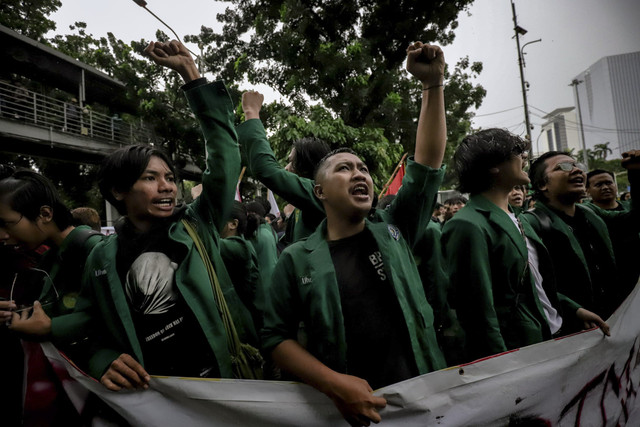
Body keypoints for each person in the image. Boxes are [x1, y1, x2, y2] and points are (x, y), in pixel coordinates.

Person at [13, 40, 259, 391]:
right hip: (158, 399)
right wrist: (102, 361)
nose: (167, 187)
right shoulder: (101, 255)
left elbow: (225, 157)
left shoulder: (195, 224)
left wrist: (191, 74)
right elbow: (94, 324)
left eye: (170, 178)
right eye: (150, 178)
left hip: (229, 386)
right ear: (118, 191)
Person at [262, 42, 447, 426]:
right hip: (348, 412)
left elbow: (427, 164)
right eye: (344, 169)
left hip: (425, 400)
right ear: (319, 191)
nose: (359, 173)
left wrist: (433, 86)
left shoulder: (396, 228)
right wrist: (334, 384)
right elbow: (276, 338)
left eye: (363, 168)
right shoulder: (295, 259)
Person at [441, 129, 609, 363]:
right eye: (516, 152)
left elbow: (535, 284)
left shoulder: (518, 218)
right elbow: (479, 312)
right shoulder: (467, 224)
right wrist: (502, 364)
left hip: (548, 335)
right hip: (519, 354)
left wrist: (573, 310)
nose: (524, 159)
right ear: (492, 167)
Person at [525, 150, 639, 317]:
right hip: (572, 330)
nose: (577, 170)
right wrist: (573, 310)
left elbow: (634, 221)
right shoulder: (531, 223)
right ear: (542, 184)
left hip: (615, 319)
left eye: (577, 166)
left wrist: (635, 173)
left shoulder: (591, 213)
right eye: (563, 167)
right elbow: (534, 285)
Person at [238, 93, 330, 245]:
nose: (286, 169)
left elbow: (266, 170)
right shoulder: (300, 209)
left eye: (292, 163)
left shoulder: (319, 195)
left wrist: (251, 112)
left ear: (308, 169)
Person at [585, 169, 640, 295]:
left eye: (609, 183)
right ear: (587, 190)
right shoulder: (585, 215)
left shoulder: (630, 208)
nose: (605, 187)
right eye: (598, 185)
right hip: (608, 283)